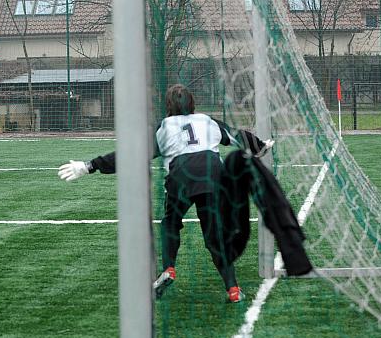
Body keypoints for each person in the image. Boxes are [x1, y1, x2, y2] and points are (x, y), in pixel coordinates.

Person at [58, 84, 273, 303]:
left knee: (171, 222)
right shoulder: (207, 121)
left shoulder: (164, 127)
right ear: (192, 102)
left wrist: (89, 166)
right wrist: (261, 146)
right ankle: (233, 289)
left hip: (181, 176)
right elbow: (236, 136)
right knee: (214, 237)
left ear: (168, 106)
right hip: (212, 175)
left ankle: (169, 268)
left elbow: (131, 154)